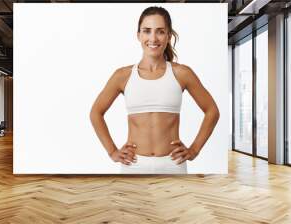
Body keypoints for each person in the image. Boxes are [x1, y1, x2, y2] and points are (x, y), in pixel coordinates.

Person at [89, 6, 219, 174]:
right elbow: (96, 112)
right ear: (138, 35)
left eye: (160, 31)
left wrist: (194, 149)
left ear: (168, 36)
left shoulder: (182, 73)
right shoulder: (123, 75)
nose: (153, 38)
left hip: (173, 164)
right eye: (147, 31)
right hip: (133, 164)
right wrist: (112, 151)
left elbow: (212, 111)